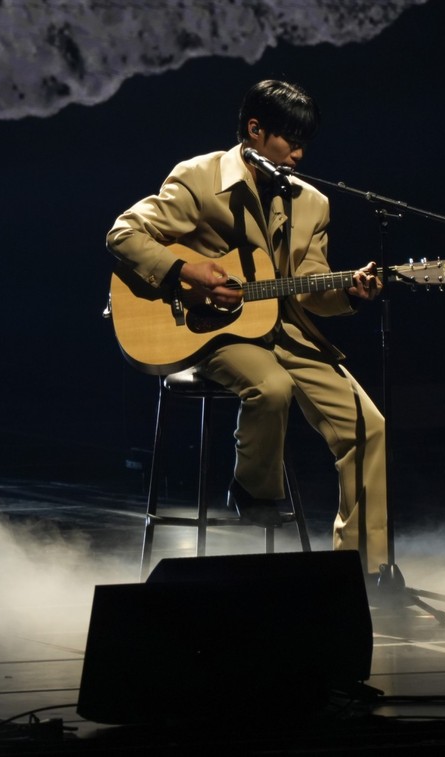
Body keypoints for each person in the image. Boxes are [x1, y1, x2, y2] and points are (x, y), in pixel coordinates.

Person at [106, 78, 390, 574]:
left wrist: (348, 293)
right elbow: (123, 233)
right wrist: (185, 272)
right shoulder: (200, 178)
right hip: (210, 334)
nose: (298, 155)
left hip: (287, 331)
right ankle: (252, 488)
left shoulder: (312, 203)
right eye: (290, 141)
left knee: (368, 426)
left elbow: (308, 287)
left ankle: (365, 570)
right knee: (272, 387)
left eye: (304, 144)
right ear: (255, 131)